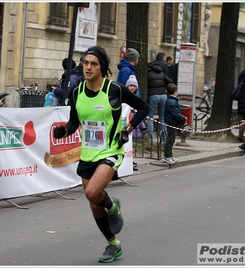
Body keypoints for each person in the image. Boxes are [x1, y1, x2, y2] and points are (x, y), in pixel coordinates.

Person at [53, 46, 149, 263]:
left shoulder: (114, 89)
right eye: (86, 63)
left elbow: (143, 108)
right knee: (94, 203)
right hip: (88, 153)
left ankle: (113, 206)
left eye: (93, 64)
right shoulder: (76, 92)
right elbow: (74, 121)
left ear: (102, 67)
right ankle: (113, 244)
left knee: (93, 192)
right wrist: (64, 130)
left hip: (111, 150)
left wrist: (128, 129)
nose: (88, 67)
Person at [146, 59, 173, 142]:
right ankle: (163, 139)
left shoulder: (148, 73)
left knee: (150, 117)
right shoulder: (161, 73)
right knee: (162, 117)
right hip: (163, 95)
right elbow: (170, 81)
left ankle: (150, 138)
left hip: (153, 95)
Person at [125, 75, 147, 171]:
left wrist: (142, 126)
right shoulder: (124, 97)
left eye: (134, 86)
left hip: (134, 125)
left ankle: (131, 159)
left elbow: (139, 113)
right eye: (130, 86)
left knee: (131, 144)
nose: (132, 88)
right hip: (126, 123)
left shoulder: (136, 98)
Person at [163, 83, 187, 164]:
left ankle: (169, 155)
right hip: (171, 123)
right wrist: (183, 118)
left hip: (171, 122)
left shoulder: (171, 100)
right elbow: (175, 113)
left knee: (171, 139)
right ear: (175, 92)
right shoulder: (172, 102)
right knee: (170, 140)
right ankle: (167, 156)